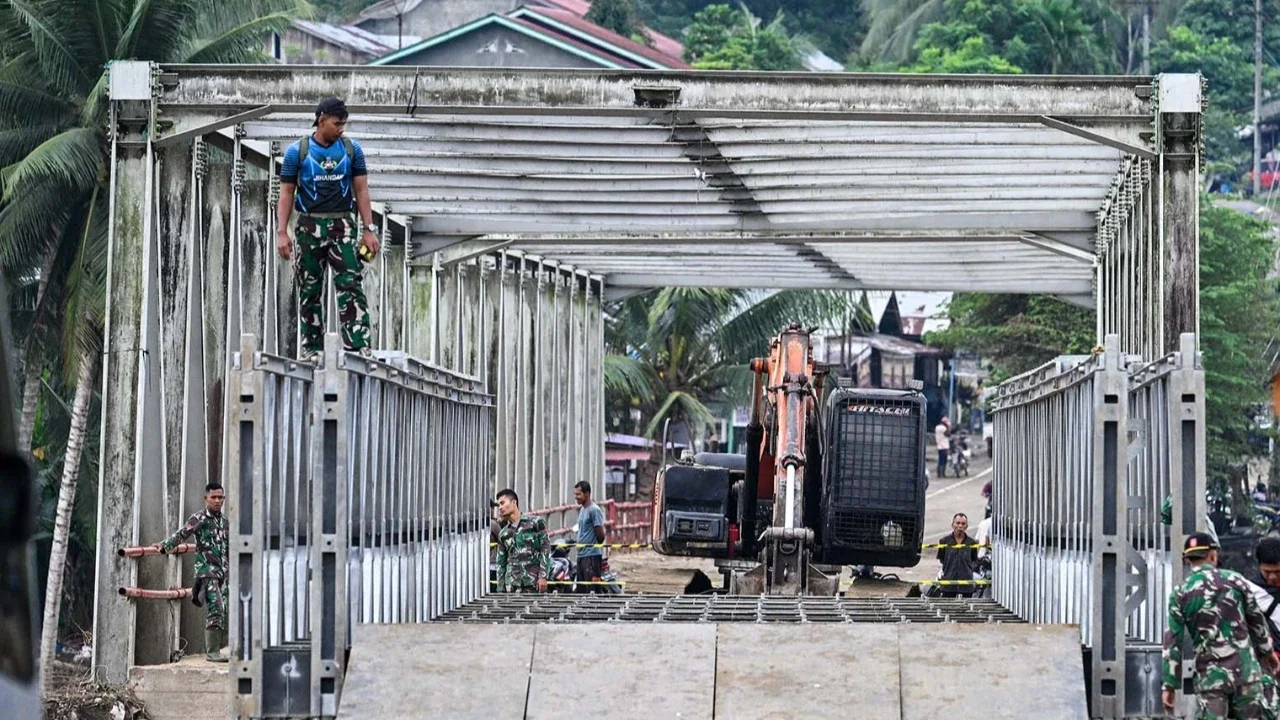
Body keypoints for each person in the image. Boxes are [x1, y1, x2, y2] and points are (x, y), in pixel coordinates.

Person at [275, 97, 380, 363]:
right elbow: (286, 192)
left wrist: (368, 229)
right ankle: (311, 348)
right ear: (321, 120)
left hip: (342, 224)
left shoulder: (351, 150)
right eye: (337, 123)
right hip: (309, 225)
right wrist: (281, 231)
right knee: (310, 287)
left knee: (350, 282)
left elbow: (362, 190)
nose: (341, 128)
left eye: (344, 124)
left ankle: (358, 346)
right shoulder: (296, 152)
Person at [1162, 532, 1280, 717]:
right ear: (1213, 555)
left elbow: (1173, 641)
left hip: (1211, 679)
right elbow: (1257, 621)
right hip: (1246, 674)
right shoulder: (1235, 580)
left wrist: (1169, 684)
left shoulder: (1180, 593)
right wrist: (1268, 653)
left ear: (1187, 560)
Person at [152, 483, 229, 663]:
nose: (217, 501)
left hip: (223, 573)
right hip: (206, 571)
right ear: (206, 499)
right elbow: (182, 534)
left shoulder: (224, 522)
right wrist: (164, 546)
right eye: (214, 498)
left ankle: (217, 647)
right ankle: (212, 652)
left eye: (220, 498)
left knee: (224, 608)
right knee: (216, 607)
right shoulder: (199, 519)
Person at [494, 489, 551, 593]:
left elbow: (546, 549)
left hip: (533, 583)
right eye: (499, 505)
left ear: (513, 502)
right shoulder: (503, 533)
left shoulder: (535, 523)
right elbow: (501, 562)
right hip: (512, 586)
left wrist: (543, 576)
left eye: (502, 503)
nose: (500, 508)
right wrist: (500, 587)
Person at [934, 513, 978, 598]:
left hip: (966, 585)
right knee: (947, 608)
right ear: (952, 525)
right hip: (948, 584)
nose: (960, 526)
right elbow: (942, 559)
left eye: (963, 524)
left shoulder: (972, 543)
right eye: (957, 523)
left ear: (966, 526)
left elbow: (973, 560)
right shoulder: (944, 541)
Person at [573, 481, 606, 591]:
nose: (576, 497)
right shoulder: (583, 509)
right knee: (581, 591)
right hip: (582, 555)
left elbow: (600, 535)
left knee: (592, 591)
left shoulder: (594, 510)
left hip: (591, 557)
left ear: (587, 494)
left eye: (578, 494)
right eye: (575, 494)